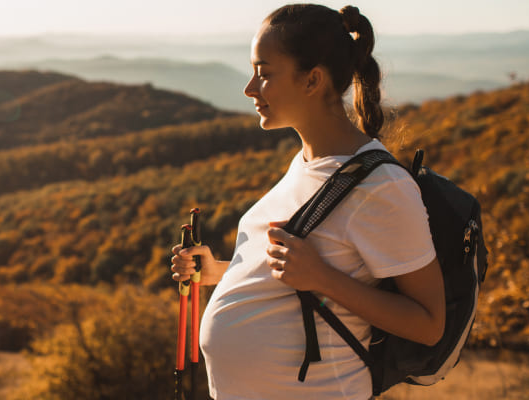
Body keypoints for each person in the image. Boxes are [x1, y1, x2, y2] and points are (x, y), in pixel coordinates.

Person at [170, 4, 446, 399]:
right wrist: (218, 272)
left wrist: (322, 280)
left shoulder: (383, 187)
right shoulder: (307, 163)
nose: (249, 88)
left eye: (264, 74)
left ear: (312, 80)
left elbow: (429, 322)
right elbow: (299, 268)